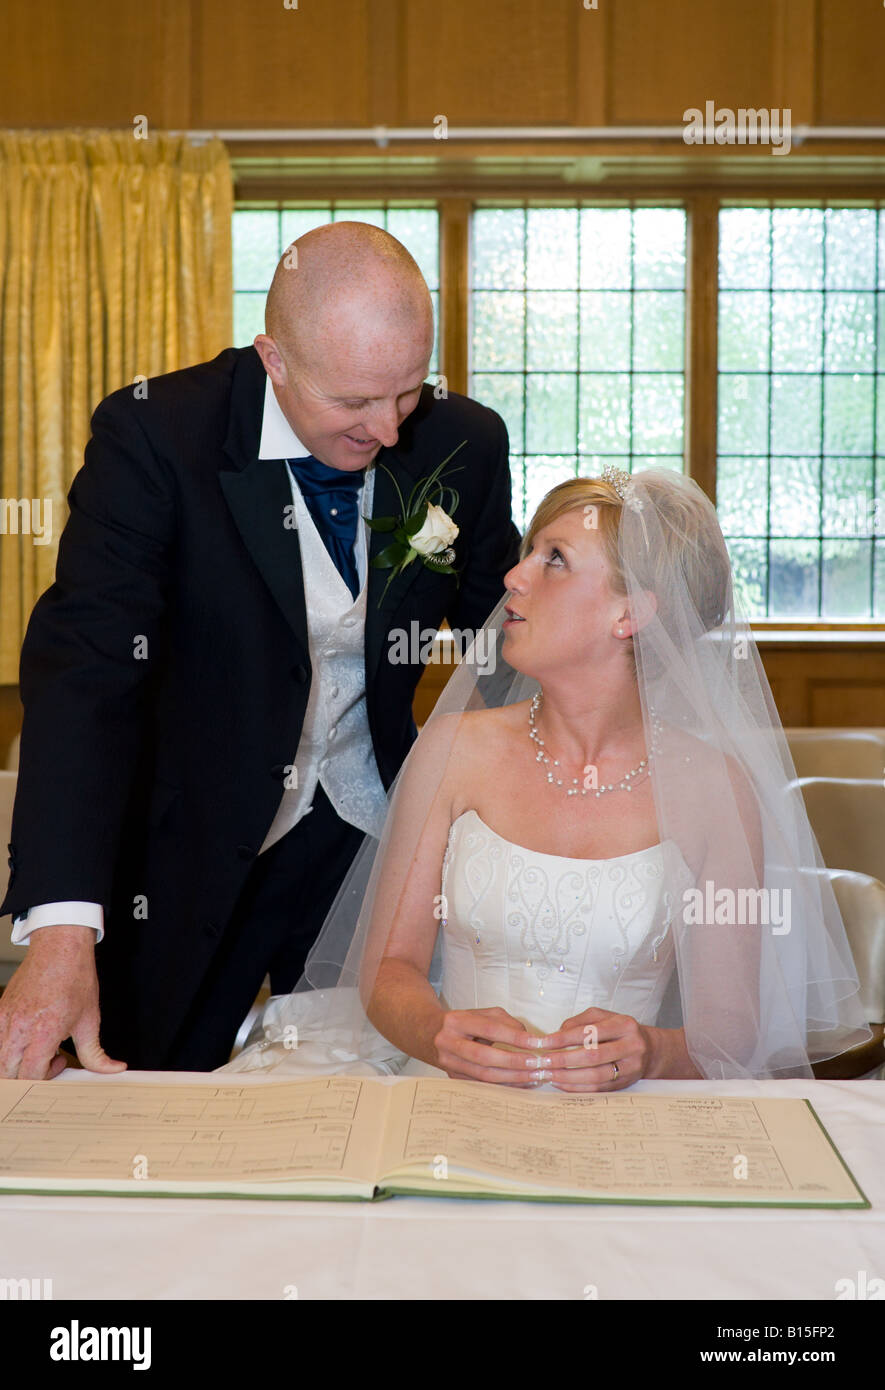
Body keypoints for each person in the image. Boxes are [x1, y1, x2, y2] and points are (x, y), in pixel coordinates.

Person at [0, 221, 522, 1077]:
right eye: (353, 403)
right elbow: (86, 676)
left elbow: (502, 643)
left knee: (370, 1103)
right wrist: (61, 927)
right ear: (273, 358)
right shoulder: (157, 438)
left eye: (405, 393)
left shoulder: (460, 442)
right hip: (181, 851)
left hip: (370, 844)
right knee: (146, 1099)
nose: (387, 432)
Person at [222, 466, 871, 1086]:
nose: (513, 575)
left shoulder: (714, 789)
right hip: (450, 1097)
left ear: (631, 613)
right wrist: (438, 1032)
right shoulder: (453, 750)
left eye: (553, 559)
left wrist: (651, 1051)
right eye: (528, 551)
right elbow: (390, 969)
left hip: (626, 1113)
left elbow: (730, 1032)